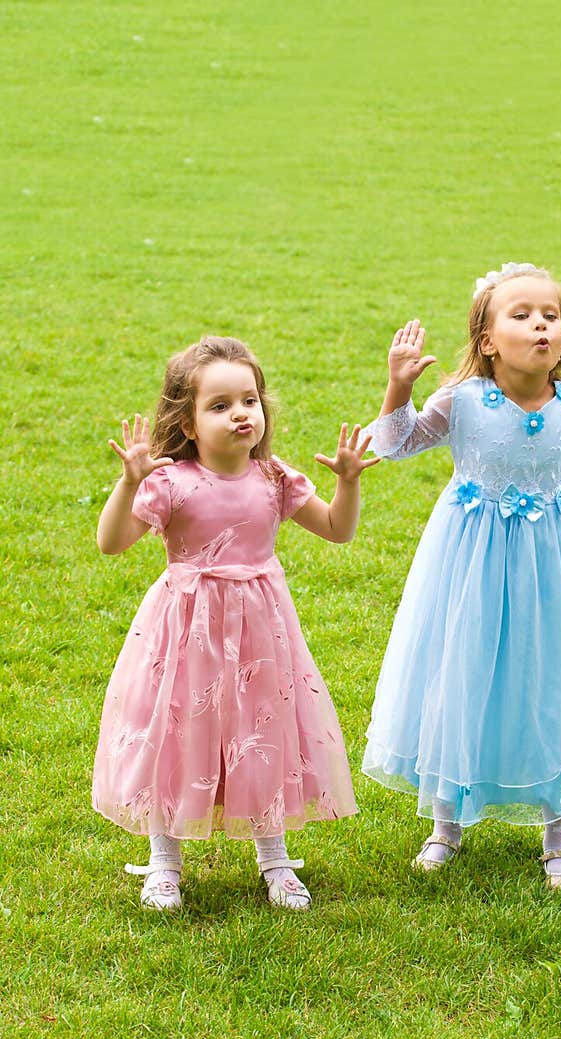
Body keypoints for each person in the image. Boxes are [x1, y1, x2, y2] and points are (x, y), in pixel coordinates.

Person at [362, 262, 561, 889]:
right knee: (461, 670)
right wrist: (397, 387)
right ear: (487, 340)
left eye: (550, 316)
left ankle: (559, 833)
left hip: (551, 565)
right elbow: (396, 442)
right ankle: (446, 821)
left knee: (552, 677)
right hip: (468, 560)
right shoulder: (465, 401)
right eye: (521, 315)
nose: (540, 325)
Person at [92, 335, 379, 912]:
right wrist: (129, 483)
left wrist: (348, 482)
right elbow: (111, 542)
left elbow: (337, 529)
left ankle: (274, 857)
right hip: (186, 629)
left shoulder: (274, 479)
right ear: (189, 422)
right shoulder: (170, 482)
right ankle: (164, 861)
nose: (240, 413)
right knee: (178, 732)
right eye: (219, 405)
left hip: (259, 631)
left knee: (261, 729)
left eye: (249, 400)